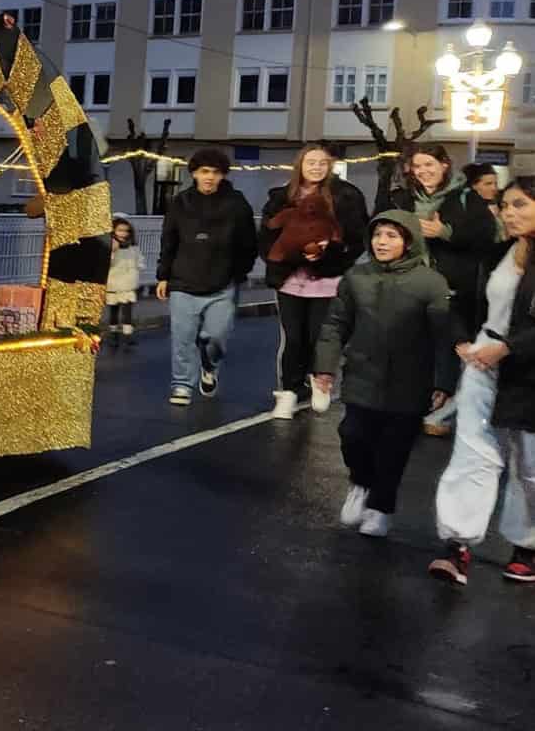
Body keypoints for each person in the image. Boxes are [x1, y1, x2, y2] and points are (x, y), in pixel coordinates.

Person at [313, 211, 455, 538]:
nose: (382, 242)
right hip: (363, 373)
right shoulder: (357, 277)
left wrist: (443, 381)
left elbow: (443, 335)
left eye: (392, 235)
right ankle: (361, 483)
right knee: (352, 435)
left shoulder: (430, 281)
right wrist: (325, 366)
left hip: (410, 380)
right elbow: (336, 324)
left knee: (394, 448)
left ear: (408, 241)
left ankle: (381, 508)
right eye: (378, 235)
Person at [428, 177, 535, 586]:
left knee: (530, 464)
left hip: (528, 371)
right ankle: (456, 545)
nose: (510, 212)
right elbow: (466, 301)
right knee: (472, 454)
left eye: (521, 204)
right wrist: (461, 339)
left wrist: (508, 348)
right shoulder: (498, 254)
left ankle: (526, 545)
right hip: (483, 363)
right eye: (506, 205)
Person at [390, 144, 498, 435]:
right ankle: (414, 402)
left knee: (448, 345)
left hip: (453, 285)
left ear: (444, 165)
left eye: (430, 164)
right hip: (410, 283)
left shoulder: (464, 197)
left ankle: (443, 405)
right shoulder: (402, 198)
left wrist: (445, 232)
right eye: (418, 166)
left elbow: (487, 237)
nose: (424, 171)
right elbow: (381, 230)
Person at [259, 145, 368, 419]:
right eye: (311, 162)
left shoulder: (346, 195)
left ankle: (320, 380)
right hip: (289, 279)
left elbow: (356, 238)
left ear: (329, 165)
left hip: (328, 279)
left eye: (322, 162)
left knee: (321, 336)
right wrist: (289, 256)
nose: (316, 167)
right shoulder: (281, 197)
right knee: (293, 337)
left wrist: (328, 254)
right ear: (300, 165)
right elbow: (268, 233)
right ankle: (288, 391)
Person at [156, 148, 257, 406]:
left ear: (222, 175)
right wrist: (163, 276)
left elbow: (249, 242)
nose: (209, 177)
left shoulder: (236, 204)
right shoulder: (180, 202)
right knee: (182, 338)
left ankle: (209, 366)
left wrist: (238, 272)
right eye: (204, 172)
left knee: (216, 336)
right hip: (183, 282)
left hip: (222, 284)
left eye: (214, 172)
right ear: (194, 174)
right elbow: (169, 240)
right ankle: (181, 384)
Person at [105, 215, 144, 349]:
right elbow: (106, 263)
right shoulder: (109, 245)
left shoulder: (132, 247)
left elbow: (139, 260)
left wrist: (138, 267)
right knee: (114, 311)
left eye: (126, 231)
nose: (123, 234)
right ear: (113, 230)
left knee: (127, 312)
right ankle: (114, 335)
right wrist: (113, 251)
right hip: (113, 284)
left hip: (128, 284)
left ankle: (127, 335)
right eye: (120, 230)